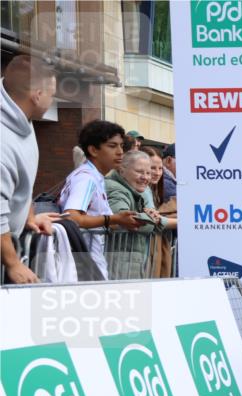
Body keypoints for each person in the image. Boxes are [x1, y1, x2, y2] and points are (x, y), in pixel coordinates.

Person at [1, 55, 60, 284]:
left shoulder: (23, 115)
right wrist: (12, 263)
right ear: (36, 96)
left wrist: (29, 214)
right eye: (51, 95)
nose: (52, 101)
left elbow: (21, 181)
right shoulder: (3, 142)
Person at [60, 120, 142, 280]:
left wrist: (129, 219)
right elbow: (72, 217)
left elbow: (98, 218)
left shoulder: (94, 177)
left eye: (121, 146)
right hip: (83, 268)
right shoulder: (86, 178)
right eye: (112, 146)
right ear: (93, 150)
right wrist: (114, 218)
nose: (120, 152)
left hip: (88, 263)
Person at [105, 150, 160, 279]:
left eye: (148, 172)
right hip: (119, 261)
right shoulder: (115, 188)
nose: (146, 177)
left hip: (130, 259)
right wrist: (152, 219)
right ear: (122, 170)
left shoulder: (134, 189)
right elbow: (127, 220)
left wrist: (150, 215)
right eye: (140, 172)